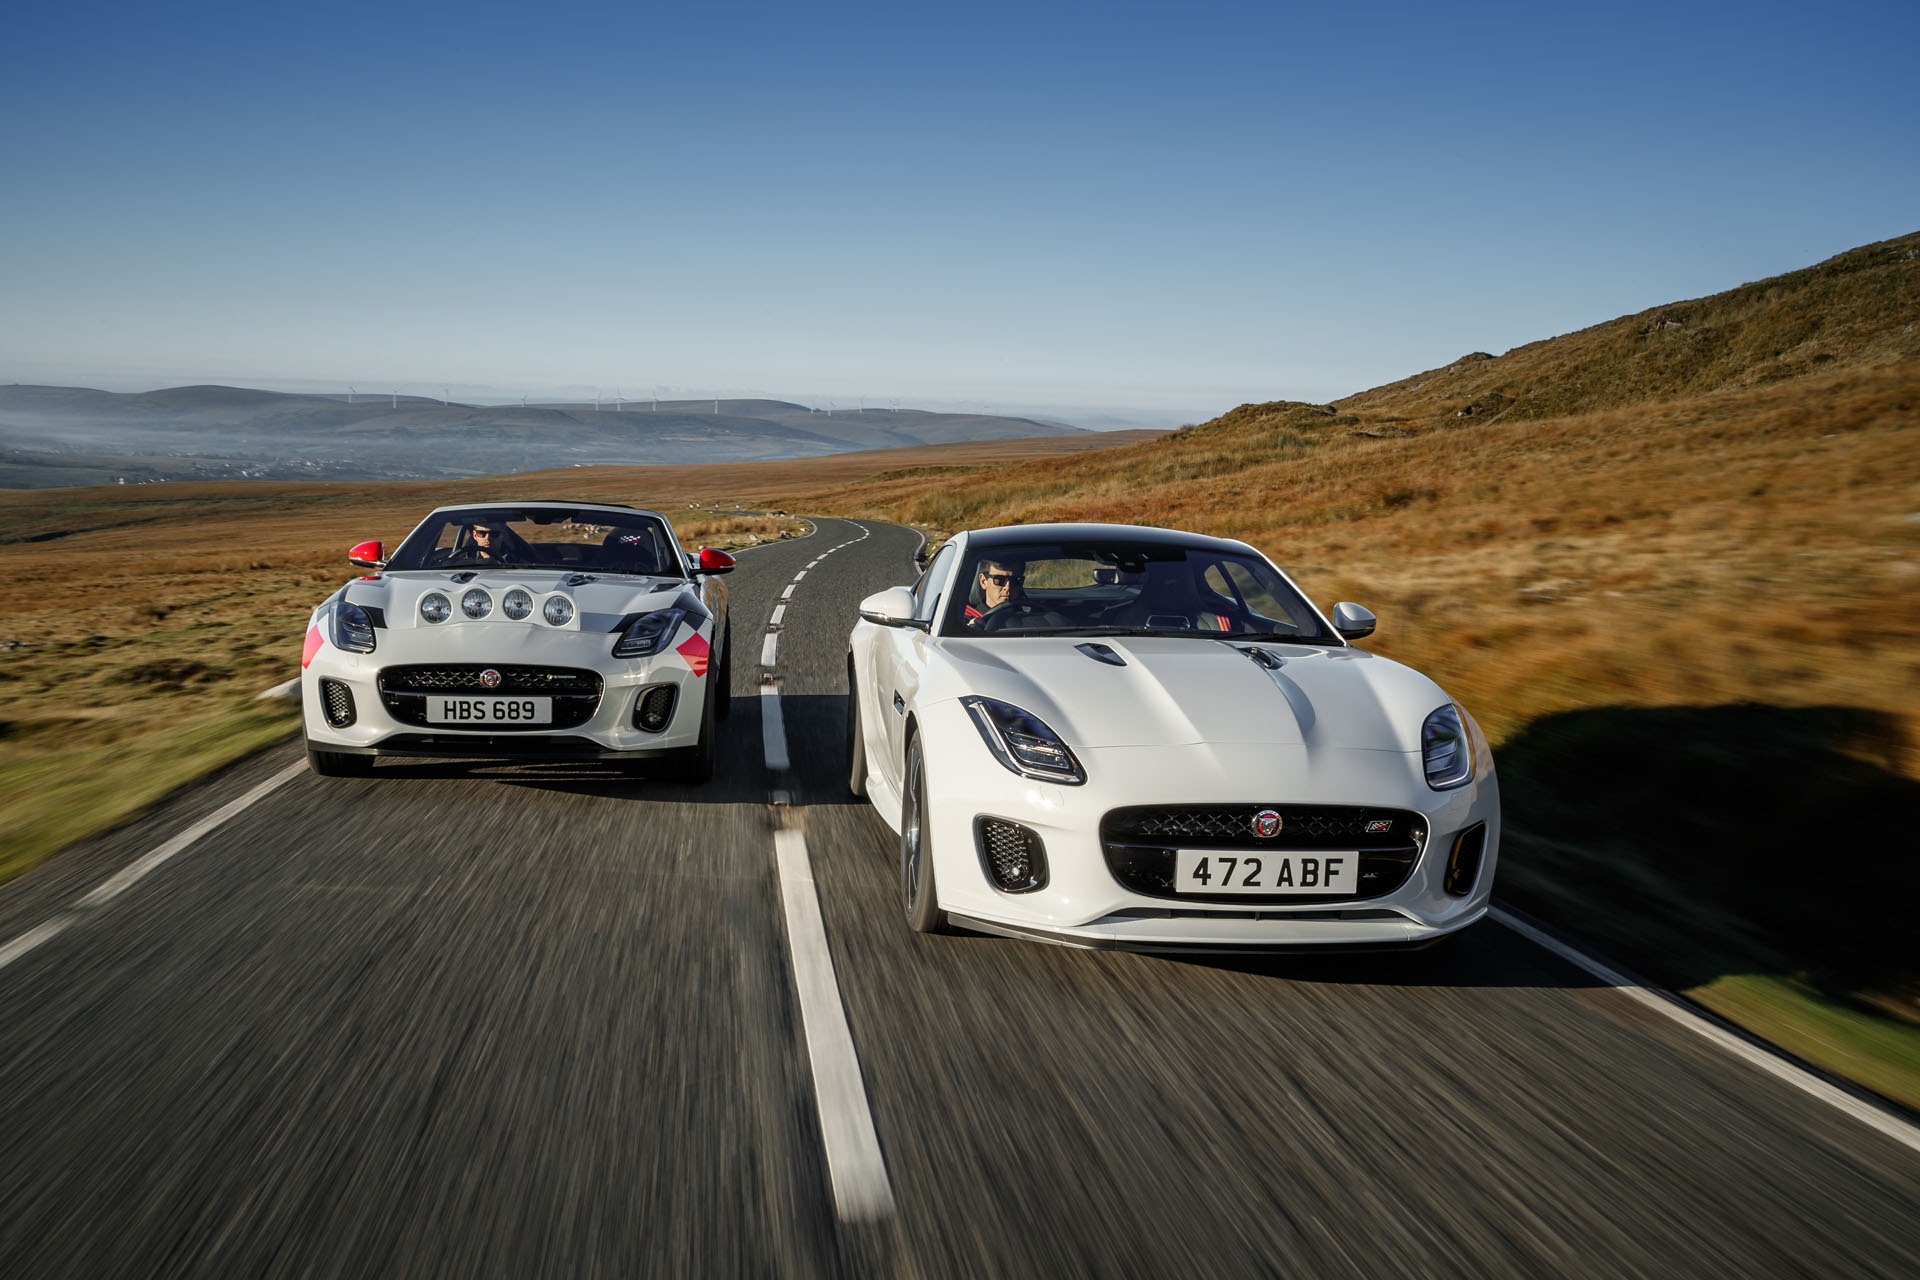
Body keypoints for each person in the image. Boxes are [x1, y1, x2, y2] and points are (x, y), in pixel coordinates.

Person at [964, 558, 1022, 626]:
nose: (1007, 587)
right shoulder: (964, 621)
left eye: (1015, 581)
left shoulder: (1029, 617)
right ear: (983, 582)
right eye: (1000, 580)